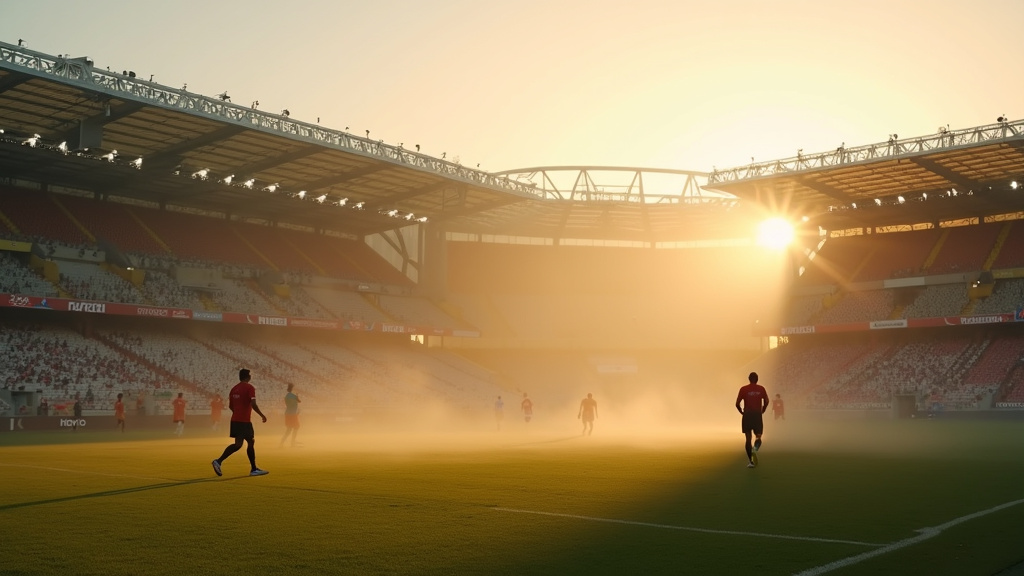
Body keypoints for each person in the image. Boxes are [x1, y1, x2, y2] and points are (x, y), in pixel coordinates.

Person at [212, 369, 268, 477]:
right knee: (250, 442)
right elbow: (253, 404)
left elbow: (230, 406)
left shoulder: (234, 389)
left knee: (238, 444)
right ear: (248, 377)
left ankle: (218, 462)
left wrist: (237, 413)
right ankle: (253, 469)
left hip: (235, 420)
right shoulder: (249, 387)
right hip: (244, 422)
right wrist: (262, 415)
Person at [735, 372, 770, 469]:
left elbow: (737, 404)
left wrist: (742, 412)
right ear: (757, 379)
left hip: (747, 415)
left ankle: (751, 461)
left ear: (749, 379)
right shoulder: (761, 389)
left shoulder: (743, 389)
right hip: (757, 415)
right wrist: (763, 409)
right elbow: (766, 401)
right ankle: (755, 449)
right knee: (758, 437)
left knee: (748, 438)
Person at [279, 383, 301, 448]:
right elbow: (299, 401)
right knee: (296, 427)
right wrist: (297, 396)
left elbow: (287, 404)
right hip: (293, 414)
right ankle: (292, 443)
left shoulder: (286, 396)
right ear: (292, 388)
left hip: (288, 413)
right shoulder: (294, 396)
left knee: (289, 429)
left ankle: (281, 443)